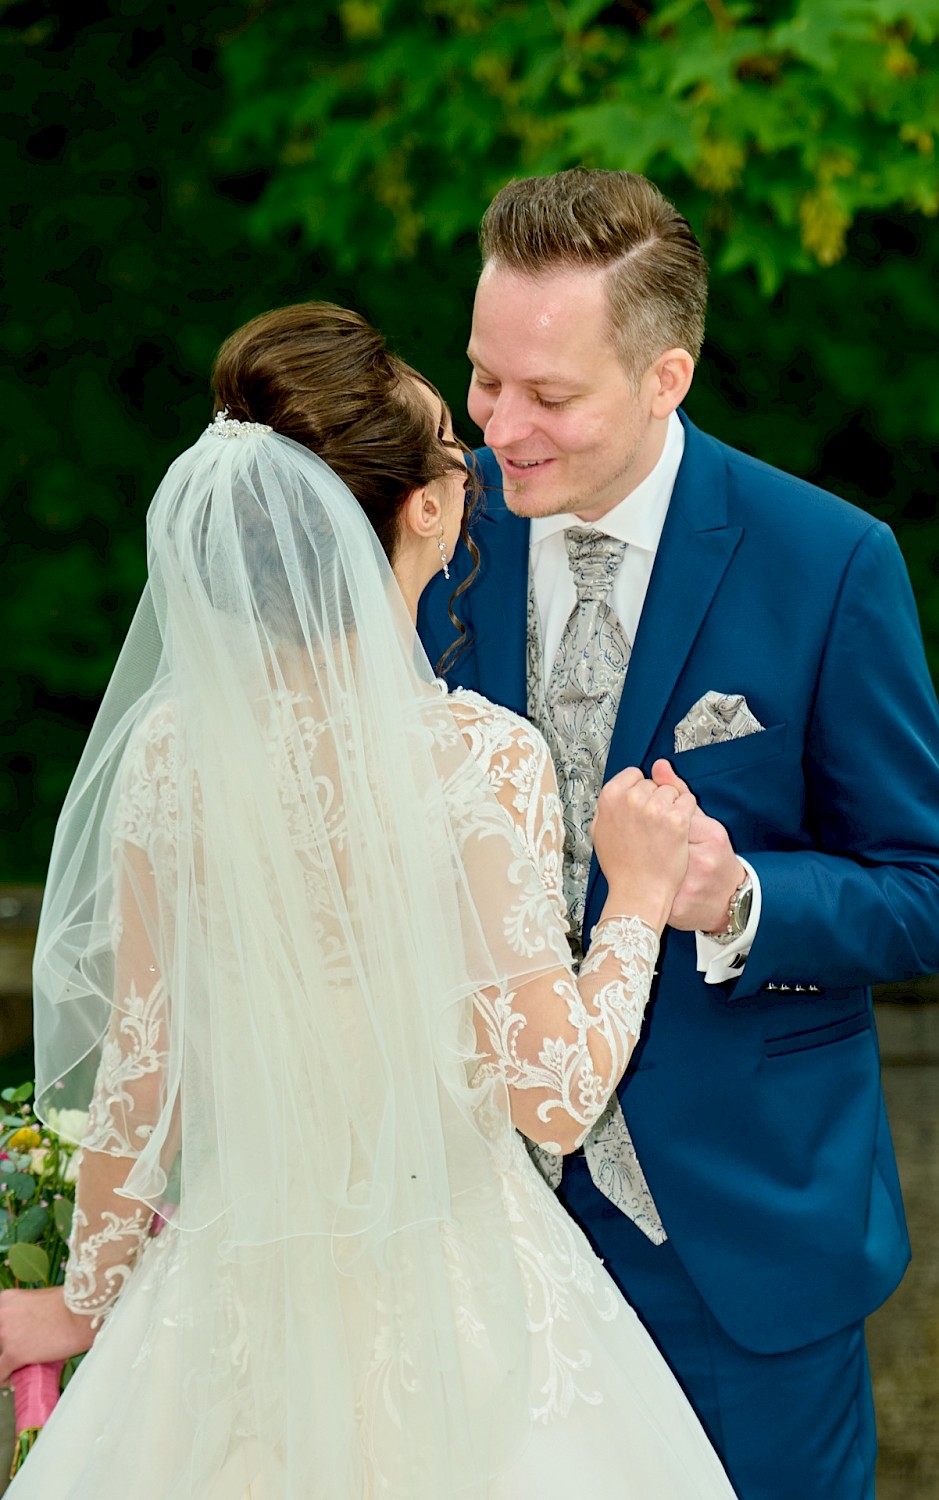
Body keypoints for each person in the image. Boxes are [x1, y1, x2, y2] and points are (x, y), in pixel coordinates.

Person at [0, 303, 739, 1499]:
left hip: (227, 1320)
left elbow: (142, 1082)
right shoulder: (476, 759)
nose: (468, 463)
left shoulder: (172, 758)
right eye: (453, 447)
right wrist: (639, 901)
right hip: (464, 1312)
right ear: (429, 510)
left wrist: (82, 1306)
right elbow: (553, 1097)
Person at [417, 169, 939, 1500]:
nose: (499, 425)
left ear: (668, 376)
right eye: (485, 379)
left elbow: (932, 891)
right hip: (468, 1244)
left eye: (547, 396)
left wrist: (740, 898)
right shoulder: (428, 537)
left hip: (740, 1256)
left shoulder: (828, 560)